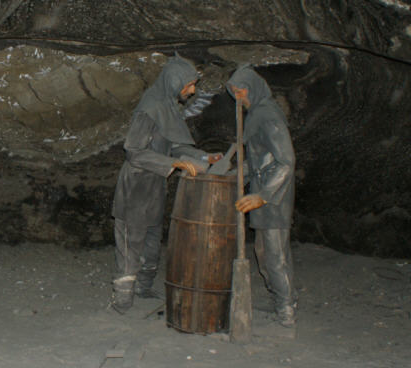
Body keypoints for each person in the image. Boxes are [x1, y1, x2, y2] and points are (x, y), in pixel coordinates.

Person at [110, 54, 219, 314]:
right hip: (136, 186)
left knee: (151, 240)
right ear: (174, 81)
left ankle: (144, 288)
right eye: (189, 85)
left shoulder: (168, 107)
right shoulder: (150, 108)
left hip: (154, 185)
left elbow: (176, 145)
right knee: (131, 241)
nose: (192, 91)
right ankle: (123, 302)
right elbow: (134, 152)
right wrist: (175, 164)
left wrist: (204, 157)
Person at [227, 66, 297, 328]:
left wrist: (263, 195)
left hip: (275, 196)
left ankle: (286, 308)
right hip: (262, 190)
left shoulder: (268, 116)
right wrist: (231, 176)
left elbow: (286, 161)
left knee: (275, 255)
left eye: (241, 91)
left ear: (253, 89)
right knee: (263, 252)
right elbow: (256, 161)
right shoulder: (256, 114)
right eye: (234, 92)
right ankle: (280, 298)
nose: (238, 97)